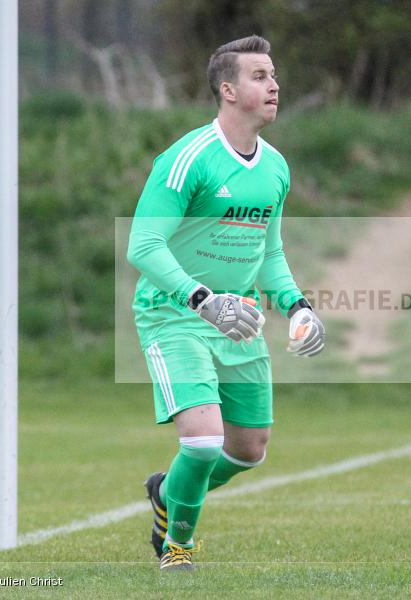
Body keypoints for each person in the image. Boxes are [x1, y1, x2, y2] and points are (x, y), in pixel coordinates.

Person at [126, 35, 325, 572]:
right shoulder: (188, 158)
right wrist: (202, 299)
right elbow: (142, 245)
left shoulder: (275, 168)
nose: (274, 84)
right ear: (228, 89)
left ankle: (169, 493)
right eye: (260, 76)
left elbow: (270, 251)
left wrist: (298, 305)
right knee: (204, 442)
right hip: (176, 315)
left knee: (248, 450)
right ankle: (178, 547)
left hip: (236, 322)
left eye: (274, 75)